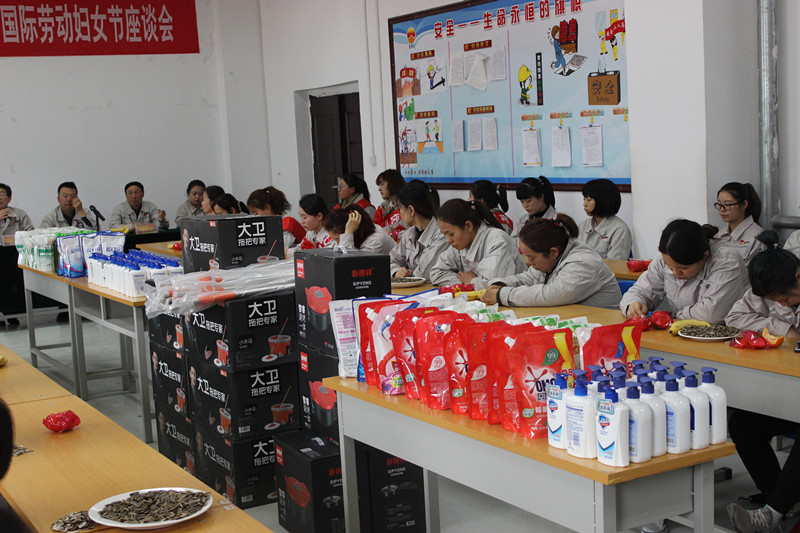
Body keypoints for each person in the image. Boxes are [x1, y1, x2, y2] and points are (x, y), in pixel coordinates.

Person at [724, 234, 800, 532]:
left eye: (784, 300)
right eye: (775, 301)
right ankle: (782, 501)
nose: (781, 304)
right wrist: (782, 327)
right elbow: (735, 317)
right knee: (743, 424)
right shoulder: (771, 285)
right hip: (792, 386)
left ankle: (771, 514)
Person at [620, 219, 748, 324]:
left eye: (682, 268)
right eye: (670, 267)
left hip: (728, 336)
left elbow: (710, 315)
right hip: (683, 331)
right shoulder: (667, 259)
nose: (676, 272)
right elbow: (641, 290)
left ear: (704, 255)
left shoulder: (727, 262)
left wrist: (673, 317)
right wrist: (633, 304)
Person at [482, 215, 621, 309]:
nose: (529, 262)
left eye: (532, 257)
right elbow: (527, 277)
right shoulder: (551, 259)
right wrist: (500, 284)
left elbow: (550, 294)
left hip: (604, 331)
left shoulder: (583, 264)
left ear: (553, 252)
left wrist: (502, 295)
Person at [429, 199, 526, 289]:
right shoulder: (460, 244)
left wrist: (472, 282)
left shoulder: (496, 239)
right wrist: (464, 282)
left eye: (451, 234)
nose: (448, 240)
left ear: (468, 226)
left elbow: (494, 285)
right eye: (444, 235)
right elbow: (436, 273)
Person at [726, 231, 800, 338]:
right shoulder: (767, 285)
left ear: (798, 277)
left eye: (786, 299)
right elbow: (734, 318)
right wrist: (783, 329)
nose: (783, 305)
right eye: (776, 301)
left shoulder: (782, 282)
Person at [389, 181, 448, 281]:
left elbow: (425, 273)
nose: (399, 214)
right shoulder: (409, 234)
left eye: (400, 209)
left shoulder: (441, 235)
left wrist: (409, 275)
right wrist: (397, 271)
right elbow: (391, 260)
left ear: (411, 210)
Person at [576, 178, 632, 260]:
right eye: (584, 199)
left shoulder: (620, 230)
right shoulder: (583, 226)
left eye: (589, 200)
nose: (584, 204)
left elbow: (616, 263)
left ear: (601, 201)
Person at [714, 181, 766, 265]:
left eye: (728, 204)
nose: (722, 209)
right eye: (719, 204)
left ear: (744, 204)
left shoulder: (757, 237)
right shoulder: (718, 235)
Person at [323, 205, 395, 254]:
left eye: (338, 239)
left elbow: (349, 265)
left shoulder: (375, 241)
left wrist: (348, 233)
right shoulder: (354, 236)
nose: (338, 243)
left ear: (354, 230)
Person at [511, 176, 557, 244]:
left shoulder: (557, 221)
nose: (525, 205)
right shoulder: (521, 222)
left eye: (528, 201)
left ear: (541, 197)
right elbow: (511, 245)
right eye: (522, 202)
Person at [373, 169, 406, 241]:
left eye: (382, 184)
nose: (379, 189)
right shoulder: (382, 208)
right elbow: (375, 230)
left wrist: (391, 234)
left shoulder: (407, 205)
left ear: (392, 183)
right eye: (379, 185)